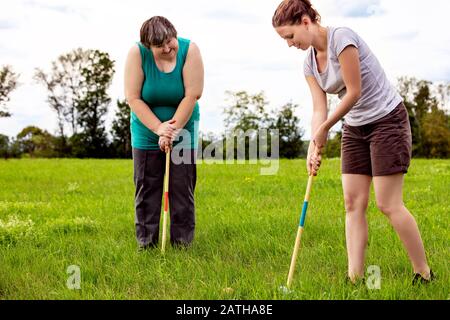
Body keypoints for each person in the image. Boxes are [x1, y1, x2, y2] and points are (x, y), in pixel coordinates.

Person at [272, 0, 433, 284]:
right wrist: (314, 143)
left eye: (290, 36)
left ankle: (424, 273)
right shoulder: (309, 63)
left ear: (306, 22)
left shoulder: (342, 38)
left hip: (387, 120)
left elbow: (354, 92)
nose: (288, 44)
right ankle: (354, 278)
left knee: (387, 203)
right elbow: (318, 109)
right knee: (352, 202)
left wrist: (325, 128)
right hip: (355, 127)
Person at [124, 16, 204, 250]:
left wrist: (172, 131)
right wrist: (158, 128)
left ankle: (182, 245)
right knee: (146, 187)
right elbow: (133, 98)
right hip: (145, 128)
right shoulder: (137, 54)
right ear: (149, 46)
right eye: (161, 46)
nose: (168, 48)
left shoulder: (190, 50)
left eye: (171, 41)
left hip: (184, 127)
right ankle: (146, 244)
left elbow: (192, 95)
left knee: (182, 188)